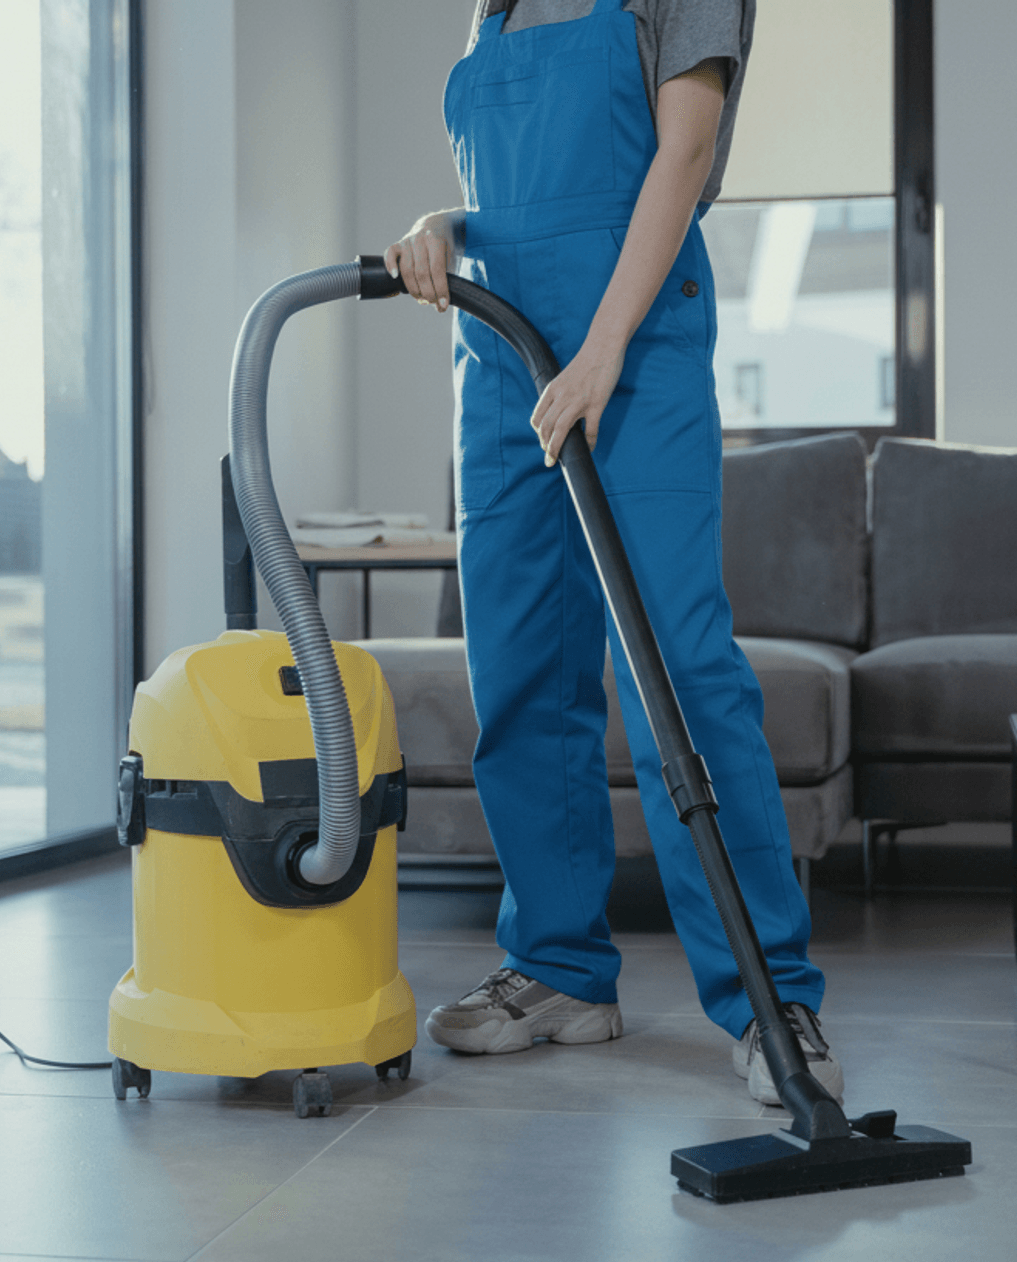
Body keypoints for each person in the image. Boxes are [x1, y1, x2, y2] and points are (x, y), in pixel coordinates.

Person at [385, 0, 841, 1106]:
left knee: (679, 668)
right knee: (521, 669)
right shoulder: (493, 6)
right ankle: (559, 968)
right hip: (501, 354)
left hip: (632, 350)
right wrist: (440, 224)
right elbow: (514, 204)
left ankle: (772, 994)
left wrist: (600, 351)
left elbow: (684, 149)